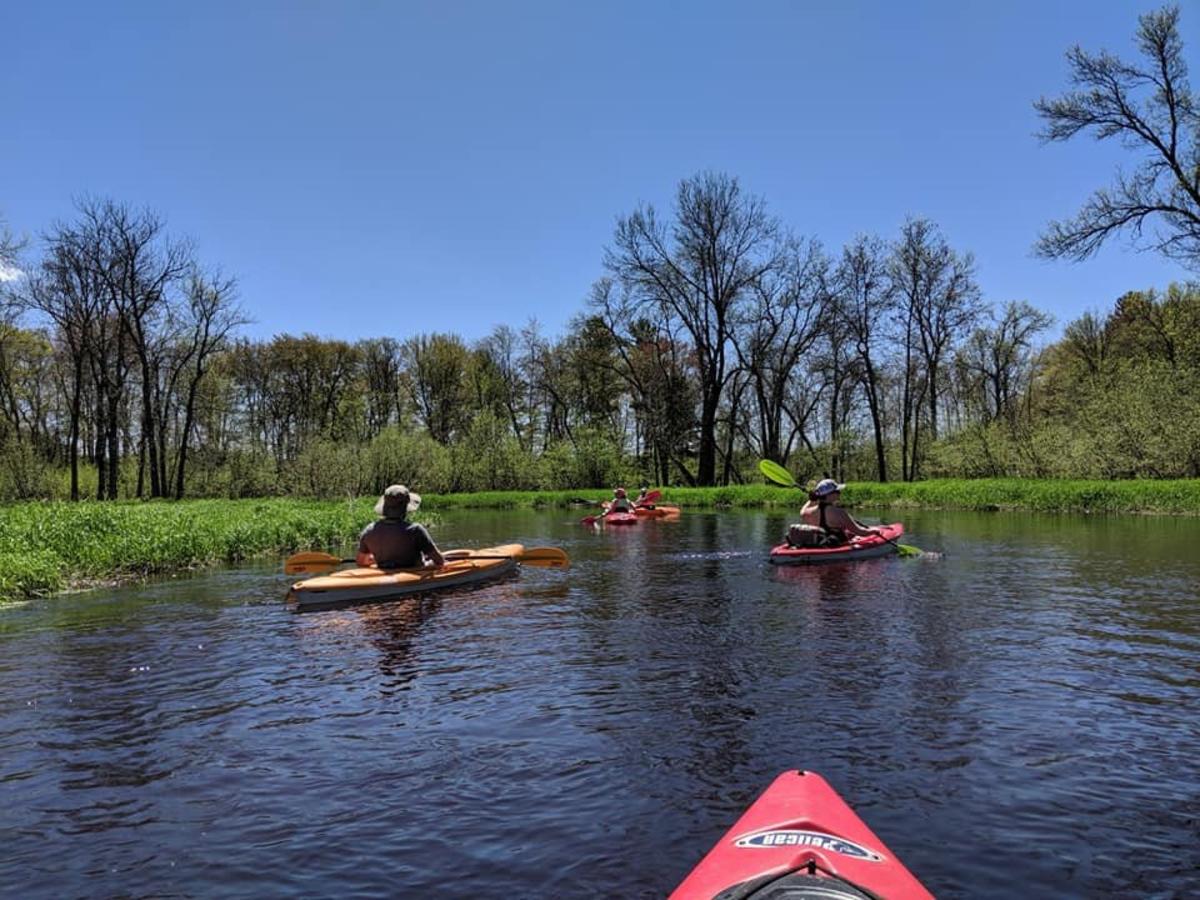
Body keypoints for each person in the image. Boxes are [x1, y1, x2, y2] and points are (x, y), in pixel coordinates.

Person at [357, 484, 446, 569]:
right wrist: (429, 563)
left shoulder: (369, 530)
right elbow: (439, 560)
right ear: (405, 507)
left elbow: (361, 562)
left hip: (386, 573)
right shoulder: (415, 530)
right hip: (414, 574)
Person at [795, 478, 884, 546]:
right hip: (836, 545)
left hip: (821, 543)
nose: (839, 493)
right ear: (830, 495)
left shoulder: (808, 513)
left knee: (849, 534)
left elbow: (802, 511)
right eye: (837, 491)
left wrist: (812, 499)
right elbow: (861, 532)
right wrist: (875, 531)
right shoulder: (840, 513)